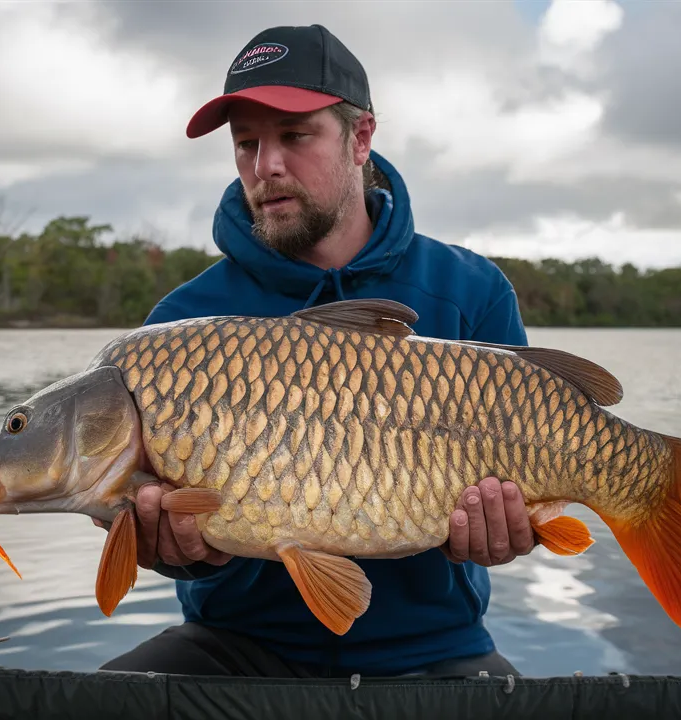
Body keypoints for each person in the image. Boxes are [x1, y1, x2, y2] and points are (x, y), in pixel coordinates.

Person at [97, 23, 536, 679]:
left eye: (294, 137)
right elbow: (154, 524)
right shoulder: (181, 329)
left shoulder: (469, 292)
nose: (264, 165)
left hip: (436, 650)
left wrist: (510, 532)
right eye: (246, 143)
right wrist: (170, 550)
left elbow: (521, 509)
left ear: (361, 139)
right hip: (235, 648)